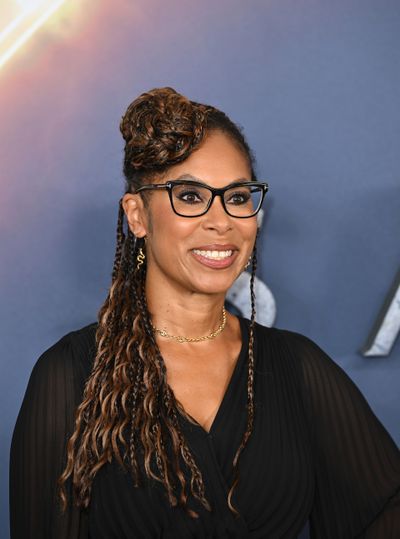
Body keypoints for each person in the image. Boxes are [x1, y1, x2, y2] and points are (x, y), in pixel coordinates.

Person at [9, 87, 400, 539]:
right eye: (191, 197)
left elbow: (384, 506)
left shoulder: (296, 367)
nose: (222, 221)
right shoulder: (70, 374)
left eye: (237, 197)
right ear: (137, 215)